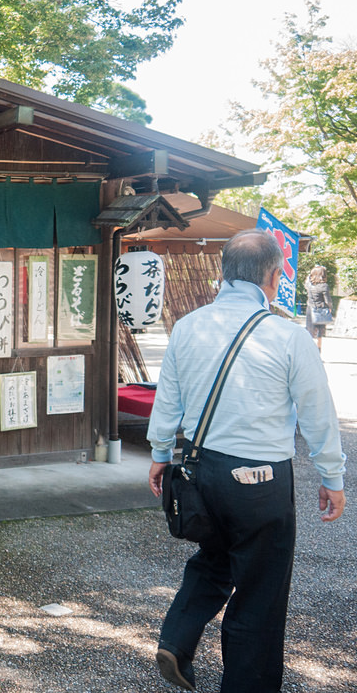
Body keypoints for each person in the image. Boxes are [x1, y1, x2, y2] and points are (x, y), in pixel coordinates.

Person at [147, 229, 346, 693]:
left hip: (199, 471)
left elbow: (168, 400)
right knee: (260, 591)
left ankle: (177, 639)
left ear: (223, 273)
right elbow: (318, 414)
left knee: (215, 555)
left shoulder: (188, 325)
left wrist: (159, 454)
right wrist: (331, 476)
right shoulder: (286, 336)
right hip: (261, 480)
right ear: (275, 277)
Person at [304, 264, 331, 351]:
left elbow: (307, 280)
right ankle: (318, 349)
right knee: (320, 331)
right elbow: (328, 301)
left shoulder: (309, 285)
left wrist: (311, 273)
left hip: (310, 309)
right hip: (321, 310)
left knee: (310, 330)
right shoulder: (324, 286)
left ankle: (309, 349)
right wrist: (330, 307)